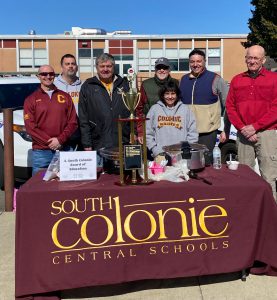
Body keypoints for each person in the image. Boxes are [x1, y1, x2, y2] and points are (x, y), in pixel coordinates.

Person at [226, 45, 277, 200]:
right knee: (244, 177)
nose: (252, 61)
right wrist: (242, 128)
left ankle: (271, 215)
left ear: (263, 60)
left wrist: (255, 127)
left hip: (267, 132)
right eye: (250, 57)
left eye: (256, 58)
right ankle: (249, 213)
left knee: (268, 177)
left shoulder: (274, 79)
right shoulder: (237, 80)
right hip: (243, 134)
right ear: (245, 58)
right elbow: (230, 107)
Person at [23, 65, 78, 175]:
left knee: (66, 187)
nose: (48, 76)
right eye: (44, 74)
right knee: (39, 187)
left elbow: (73, 122)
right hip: (41, 152)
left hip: (64, 149)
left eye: (51, 74)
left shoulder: (65, 97)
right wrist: (50, 142)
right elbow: (31, 127)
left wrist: (59, 140)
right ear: (38, 76)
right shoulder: (30, 100)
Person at [78, 53, 130, 166]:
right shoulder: (88, 86)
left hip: (121, 141)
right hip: (98, 143)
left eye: (109, 66)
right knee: (99, 179)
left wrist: (133, 133)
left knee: (121, 177)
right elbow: (83, 117)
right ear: (96, 67)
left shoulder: (125, 84)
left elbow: (131, 111)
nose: (105, 69)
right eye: (102, 66)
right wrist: (87, 144)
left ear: (113, 67)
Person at [179, 49, 229, 161]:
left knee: (205, 163)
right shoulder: (183, 80)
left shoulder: (215, 79)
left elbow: (228, 105)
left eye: (199, 61)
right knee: (186, 162)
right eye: (192, 62)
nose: (195, 64)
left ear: (204, 61)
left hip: (207, 132)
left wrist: (226, 129)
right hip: (187, 132)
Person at [146, 81, 198, 158]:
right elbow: (148, 133)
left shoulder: (185, 110)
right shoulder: (154, 109)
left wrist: (186, 149)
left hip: (181, 155)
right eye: (167, 93)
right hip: (161, 155)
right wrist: (155, 149)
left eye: (173, 93)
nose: (170, 97)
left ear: (177, 95)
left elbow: (193, 132)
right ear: (162, 95)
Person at [136, 57, 179, 143]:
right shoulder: (146, 84)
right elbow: (139, 109)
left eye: (165, 68)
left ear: (169, 69)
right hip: (152, 130)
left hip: (173, 128)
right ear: (155, 70)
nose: (162, 70)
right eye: (159, 68)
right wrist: (141, 131)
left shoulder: (177, 83)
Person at [54, 54, 82, 149]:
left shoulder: (83, 86)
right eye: (67, 64)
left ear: (76, 67)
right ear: (62, 67)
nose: (70, 66)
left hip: (80, 133)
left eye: (73, 64)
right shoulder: (54, 86)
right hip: (60, 134)